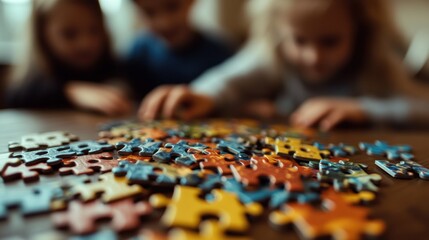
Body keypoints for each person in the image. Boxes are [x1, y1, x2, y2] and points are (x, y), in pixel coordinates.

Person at [138, 0, 429, 130]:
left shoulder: (374, 62)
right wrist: (201, 95)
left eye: (330, 41)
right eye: (300, 41)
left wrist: (362, 110)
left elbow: (422, 108)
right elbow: (227, 80)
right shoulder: (273, 55)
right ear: (278, 34)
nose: (313, 56)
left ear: (360, 31)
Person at [5, 0, 132, 116]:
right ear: (42, 36)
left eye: (94, 30)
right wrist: (71, 92)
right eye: (69, 34)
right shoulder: (36, 78)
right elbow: (19, 96)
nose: (85, 44)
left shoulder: (113, 66)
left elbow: (125, 82)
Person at [127, 0, 232, 103]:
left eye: (172, 6)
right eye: (149, 12)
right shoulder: (138, 52)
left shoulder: (219, 52)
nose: (164, 23)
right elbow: (124, 86)